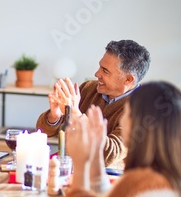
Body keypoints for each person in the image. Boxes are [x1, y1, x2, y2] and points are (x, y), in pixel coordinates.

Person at [36, 40, 151, 168]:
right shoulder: (88, 88)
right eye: (100, 67)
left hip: (106, 178)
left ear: (128, 79)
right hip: (68, 166)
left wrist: (75, 113)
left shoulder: (142, 109)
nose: (97, 74)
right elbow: (43, 131)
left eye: (105, 71)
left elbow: (107, 155)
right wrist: (54, 116)